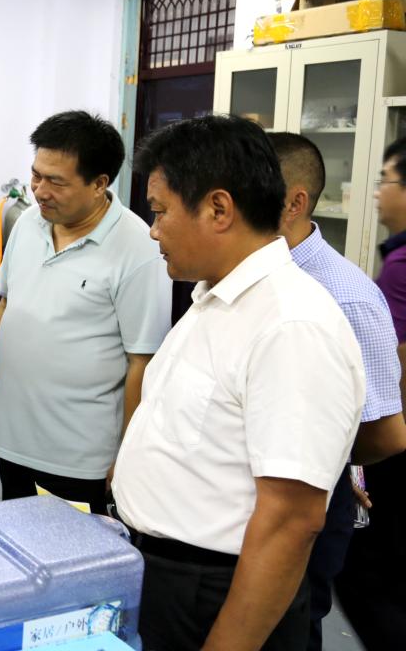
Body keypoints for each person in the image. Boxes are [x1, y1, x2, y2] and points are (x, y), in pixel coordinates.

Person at [113, 114, 364, 650]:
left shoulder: (291, 324)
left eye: (160, 211)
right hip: (165, 578)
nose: (153, 230)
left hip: (216, 594)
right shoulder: (216, 299)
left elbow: (290, 520)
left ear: (219, 209)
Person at [0, 111, 170, 515]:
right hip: (12, 438)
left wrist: (127, 453)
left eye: (56, 182)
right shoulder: (28, 223)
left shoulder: (138, 247)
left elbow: (142, 361)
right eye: (36, 175)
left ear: (100, 183)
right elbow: (6, 304)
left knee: (68, 552)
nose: (40, 191)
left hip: (77, 456)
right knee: (14, 539)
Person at [268, 132, 406, 650]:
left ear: (294, 202)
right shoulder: (256, 276)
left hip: (312, 505)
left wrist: (333, 459)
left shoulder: (345, 296)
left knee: (293, 626)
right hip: (261, 500)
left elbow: (384, 433)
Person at [333, 136, 406, 647]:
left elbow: (393, 373)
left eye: (387, 180)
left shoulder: (399, 268)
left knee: (368, 576)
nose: (378, 192)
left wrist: (352, 466)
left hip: (394, 451)